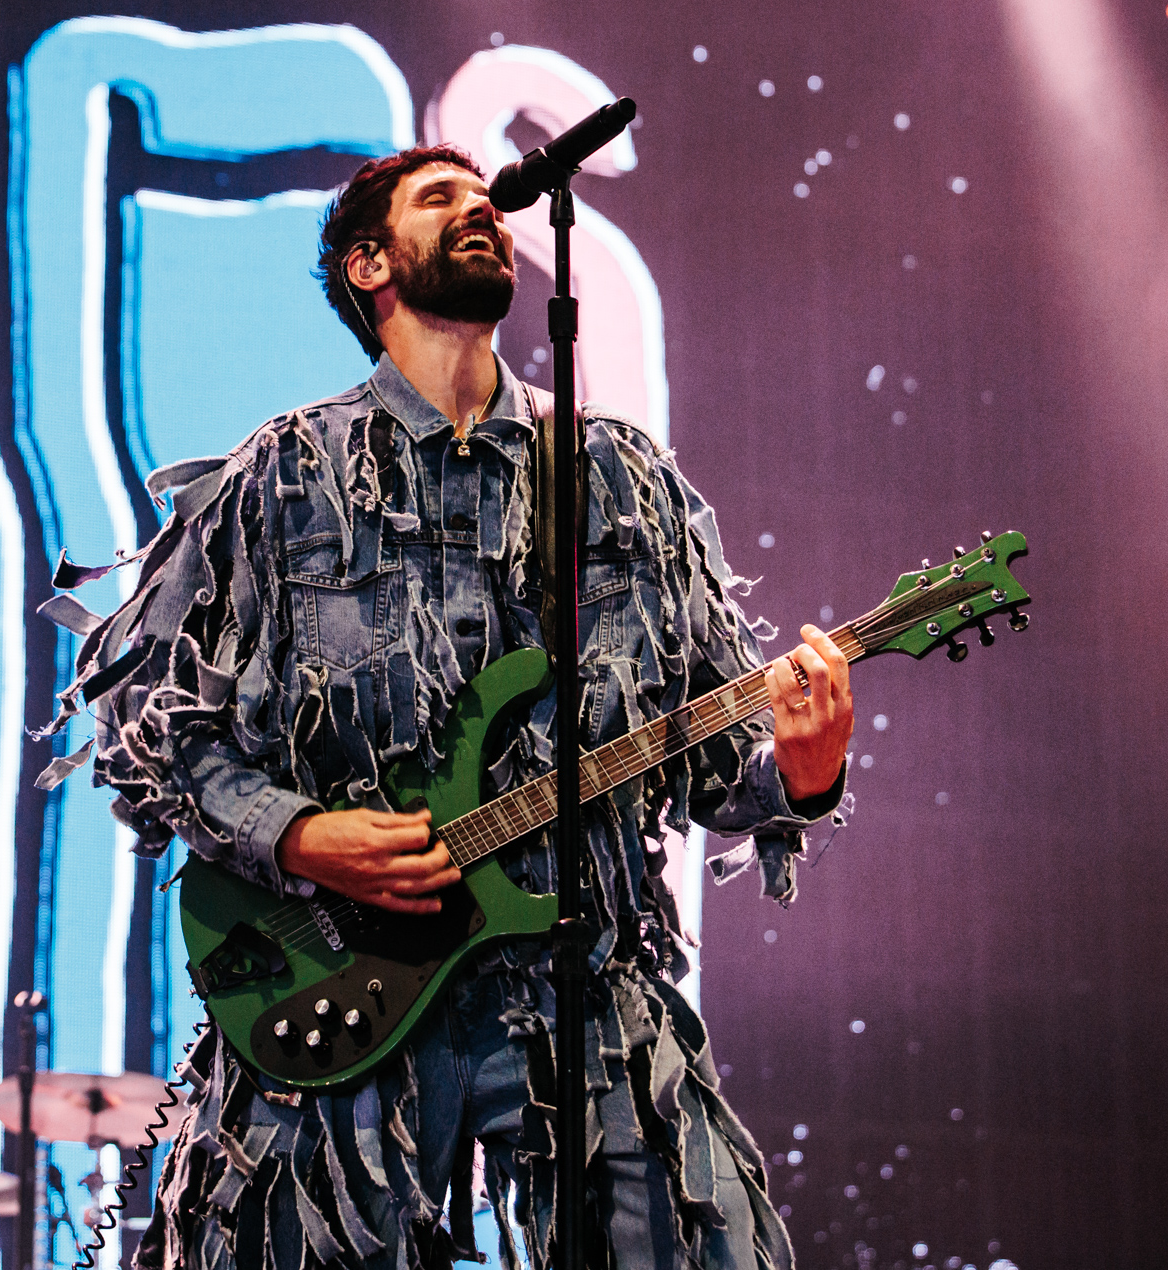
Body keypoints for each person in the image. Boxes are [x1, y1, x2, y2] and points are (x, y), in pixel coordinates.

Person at [56, 144, 852, 1270]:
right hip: (341, 986)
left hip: (577, 983)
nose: (480, 206)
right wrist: (296, 832)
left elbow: (717, 768)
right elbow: (148, 723)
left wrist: (804, 773)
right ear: (368, 265)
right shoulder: (286, 477)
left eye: (486, 197)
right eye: (442, 198)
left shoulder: (620, 480)